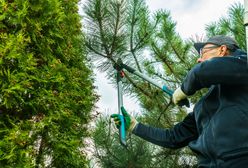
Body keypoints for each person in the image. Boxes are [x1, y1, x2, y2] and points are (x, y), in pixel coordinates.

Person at [111, 35, 248, 167]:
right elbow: (173, 137)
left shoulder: (243, 64)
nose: (198, 60)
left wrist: (183, 89)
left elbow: (201, 72)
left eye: (203, 53)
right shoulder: (203, 106)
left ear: (222, 50)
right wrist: (135, 126)